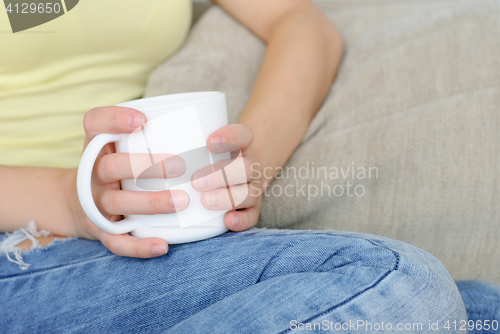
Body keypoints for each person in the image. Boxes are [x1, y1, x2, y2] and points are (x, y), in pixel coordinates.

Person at [0, 0, 491, 332]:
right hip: (22, 248)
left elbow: (301, 23)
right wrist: (72, 199)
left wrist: (252, 162)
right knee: (405, 290)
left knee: (483, 314)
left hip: (145, 232)